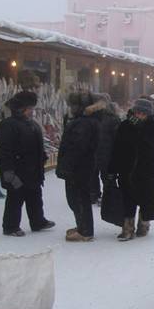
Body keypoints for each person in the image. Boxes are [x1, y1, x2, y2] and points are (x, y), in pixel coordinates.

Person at [0, 91, 55, 237]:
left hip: (33, 169)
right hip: (17, 170)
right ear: (21, 109)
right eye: (30, 108)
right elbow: (5, 151)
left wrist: (42, 157)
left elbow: (37, 145)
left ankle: (38, 221)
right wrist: (8, 172)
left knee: (35, 196)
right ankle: (10, 226)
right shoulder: (8, 125)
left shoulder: (32, 124)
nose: (32, 111)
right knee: (15, 198)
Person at [109, 99, 154, 241]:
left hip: (146, 171)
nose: (140, 115)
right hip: (127, 169)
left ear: (148, 114)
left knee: (147, 200)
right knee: (128, 199)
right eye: (138, 112)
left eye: (143, 113)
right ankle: (127, 228)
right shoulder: (125, 125)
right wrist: (112, 169)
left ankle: (143, 225)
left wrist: (141, 128)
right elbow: (116, 149)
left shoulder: (153, 126)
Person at [57, 92, 100, 242]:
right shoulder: (85, 121)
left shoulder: (83, 123)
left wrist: (67, 166)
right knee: (78, 198)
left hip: (79, 168)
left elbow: (76, 147)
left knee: (78, 199)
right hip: (83, 166)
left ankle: (85, 231)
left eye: (74, 105)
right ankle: (82, 226)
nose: (71, 108)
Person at [86, 93, 120, 205]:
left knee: (93, 174)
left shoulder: (88, 117)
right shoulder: (112, 118)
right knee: (107, 176)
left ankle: (93, 195)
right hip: (107, 152)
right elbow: (117, 137)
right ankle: (107, 197)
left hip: (93, 151)